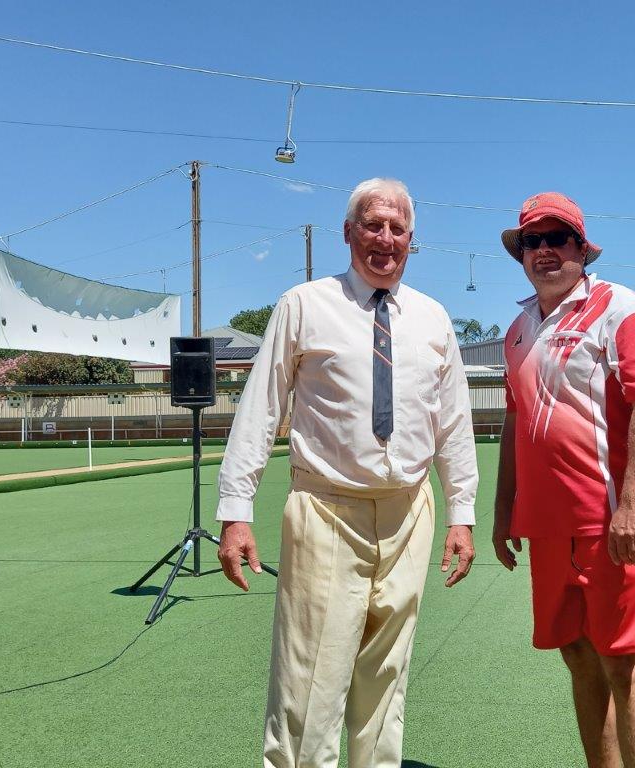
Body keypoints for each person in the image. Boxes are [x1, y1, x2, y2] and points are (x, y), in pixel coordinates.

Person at [215, 178, 479, 768]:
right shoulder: (304, 305)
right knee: (311, 679)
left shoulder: (434, 319)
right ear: (348, 233)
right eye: (372, 224)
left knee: (386, 678)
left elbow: (453, 424)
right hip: (327, 509)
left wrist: (461, 512)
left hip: (410, 513)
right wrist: (235, 512)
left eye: (398, 228)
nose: (385, 239)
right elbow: (258, 410)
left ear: (413, 240)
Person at [492, 192, 635, 767]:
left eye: (557, 239)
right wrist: (503, 510)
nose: (544, 251)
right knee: (576, 653)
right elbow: (515, 423)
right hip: (547, 528)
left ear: (581, 249)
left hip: (613, 521)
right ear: (521, 252)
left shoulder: (626, 309)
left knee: (623, 661)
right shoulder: (518, 328)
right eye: (532, 241)